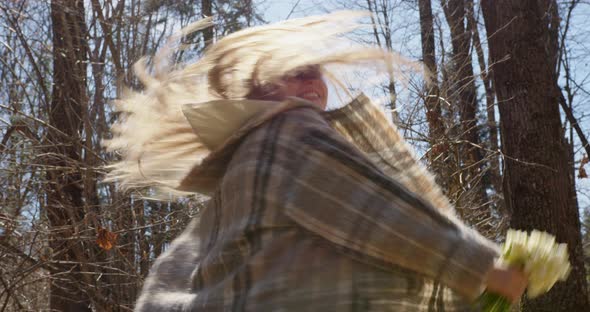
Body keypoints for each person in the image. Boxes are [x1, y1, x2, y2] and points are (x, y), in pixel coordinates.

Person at [105, 11, 526, 311]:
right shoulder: (290, 133)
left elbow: (169, 274)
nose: (311, 80)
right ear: (255, 88)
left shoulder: (236, 173)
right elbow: (375, 209)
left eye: (316, 71)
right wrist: (486, 267)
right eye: (293, 71)